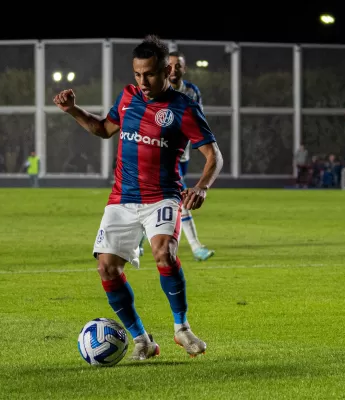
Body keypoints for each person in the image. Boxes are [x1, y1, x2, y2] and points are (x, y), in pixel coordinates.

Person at [53, 35, 223, 361]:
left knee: (165, 252)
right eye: (137, 74)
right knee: (106, 268)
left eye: (149, 74)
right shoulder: (128, 97)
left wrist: (201, 186)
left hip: (162, 197)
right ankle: (142, 340)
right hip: (122, 197)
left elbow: (213, 155)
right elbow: (104, 129)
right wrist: (73, 110)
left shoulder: (184, 107)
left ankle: (181, 328)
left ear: (165, 71)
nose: (142, 81)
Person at [137, 50, 215, 262]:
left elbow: (198, 121)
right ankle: (196, 246)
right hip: (161, 154)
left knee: (162, 199)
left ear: (183, 68)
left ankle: (138, 240)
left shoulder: (191, 91)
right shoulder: (156, 89)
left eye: (178, 65)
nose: (174, 69)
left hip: (183, 153)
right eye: (170, 65)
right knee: (177, 198)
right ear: (165, 68)